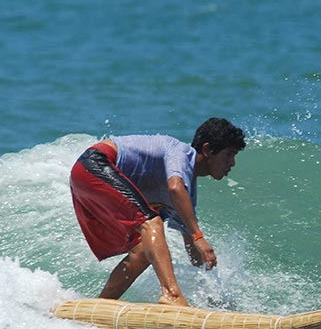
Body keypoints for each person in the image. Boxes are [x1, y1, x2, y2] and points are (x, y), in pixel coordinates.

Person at [69, 117, 246, 306]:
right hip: (94, 163)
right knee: (152, 223)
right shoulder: (180, 151)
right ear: (207, 149)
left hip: (88, 177)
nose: (232, 163)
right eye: (229, 155)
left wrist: (212, 293)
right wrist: (199, 235)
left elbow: (192, 246)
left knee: (144, 251)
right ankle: (172, 295)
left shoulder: (187, 194)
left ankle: (101, 305)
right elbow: (175, 188)